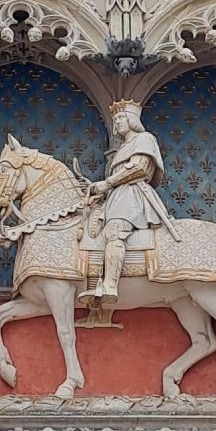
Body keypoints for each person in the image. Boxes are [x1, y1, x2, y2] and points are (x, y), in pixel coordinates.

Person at [80, 98, 178, 308]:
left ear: (132, 120)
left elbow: (139, 168)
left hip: (133, 195)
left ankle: (110, 286)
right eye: (115, 121)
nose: (117, 123)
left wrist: (106, 183)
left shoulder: (144, 139)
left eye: (121, 118)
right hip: (117, 196)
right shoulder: (123, 148)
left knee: (115, 230)